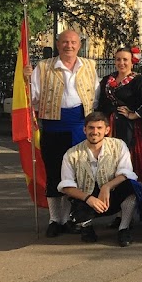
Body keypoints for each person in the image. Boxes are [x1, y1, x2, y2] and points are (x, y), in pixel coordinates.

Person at [30, 29, 99, 236]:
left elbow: (95, 96)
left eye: (73, 42)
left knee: (79, 174)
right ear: (58, 44)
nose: (69, 46)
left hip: (80, 127)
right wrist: (24, 82)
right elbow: (32, 98)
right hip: (54, 126)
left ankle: (73, 217)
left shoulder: (90, 65)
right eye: (65, 42)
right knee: (54, 173)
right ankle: (54, 219)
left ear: (79, 45)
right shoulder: (43, 67)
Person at [58, 112, 138, 247]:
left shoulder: (119, 145)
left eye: (99, 128)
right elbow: (66, 186)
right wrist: (88, 198)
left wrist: (107, 187)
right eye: (91, 128)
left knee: (131, 188)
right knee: (70, 197)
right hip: (86, 197)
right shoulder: (71, 153)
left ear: (107, 130)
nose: (95, 132)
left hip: (111, 194)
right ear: (84, 130)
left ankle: (123, 228)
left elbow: (126, 172)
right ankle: (86, 226)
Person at [95, 46, 142, 183]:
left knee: (129, 157)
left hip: (129, 128)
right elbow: (100, 103)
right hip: (109, 127)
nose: (121, 63)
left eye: (125, 59)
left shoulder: (138, 80)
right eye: (118, 59)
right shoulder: (107, 79)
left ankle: (131, 189)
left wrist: (135, 114)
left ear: (132, 61)